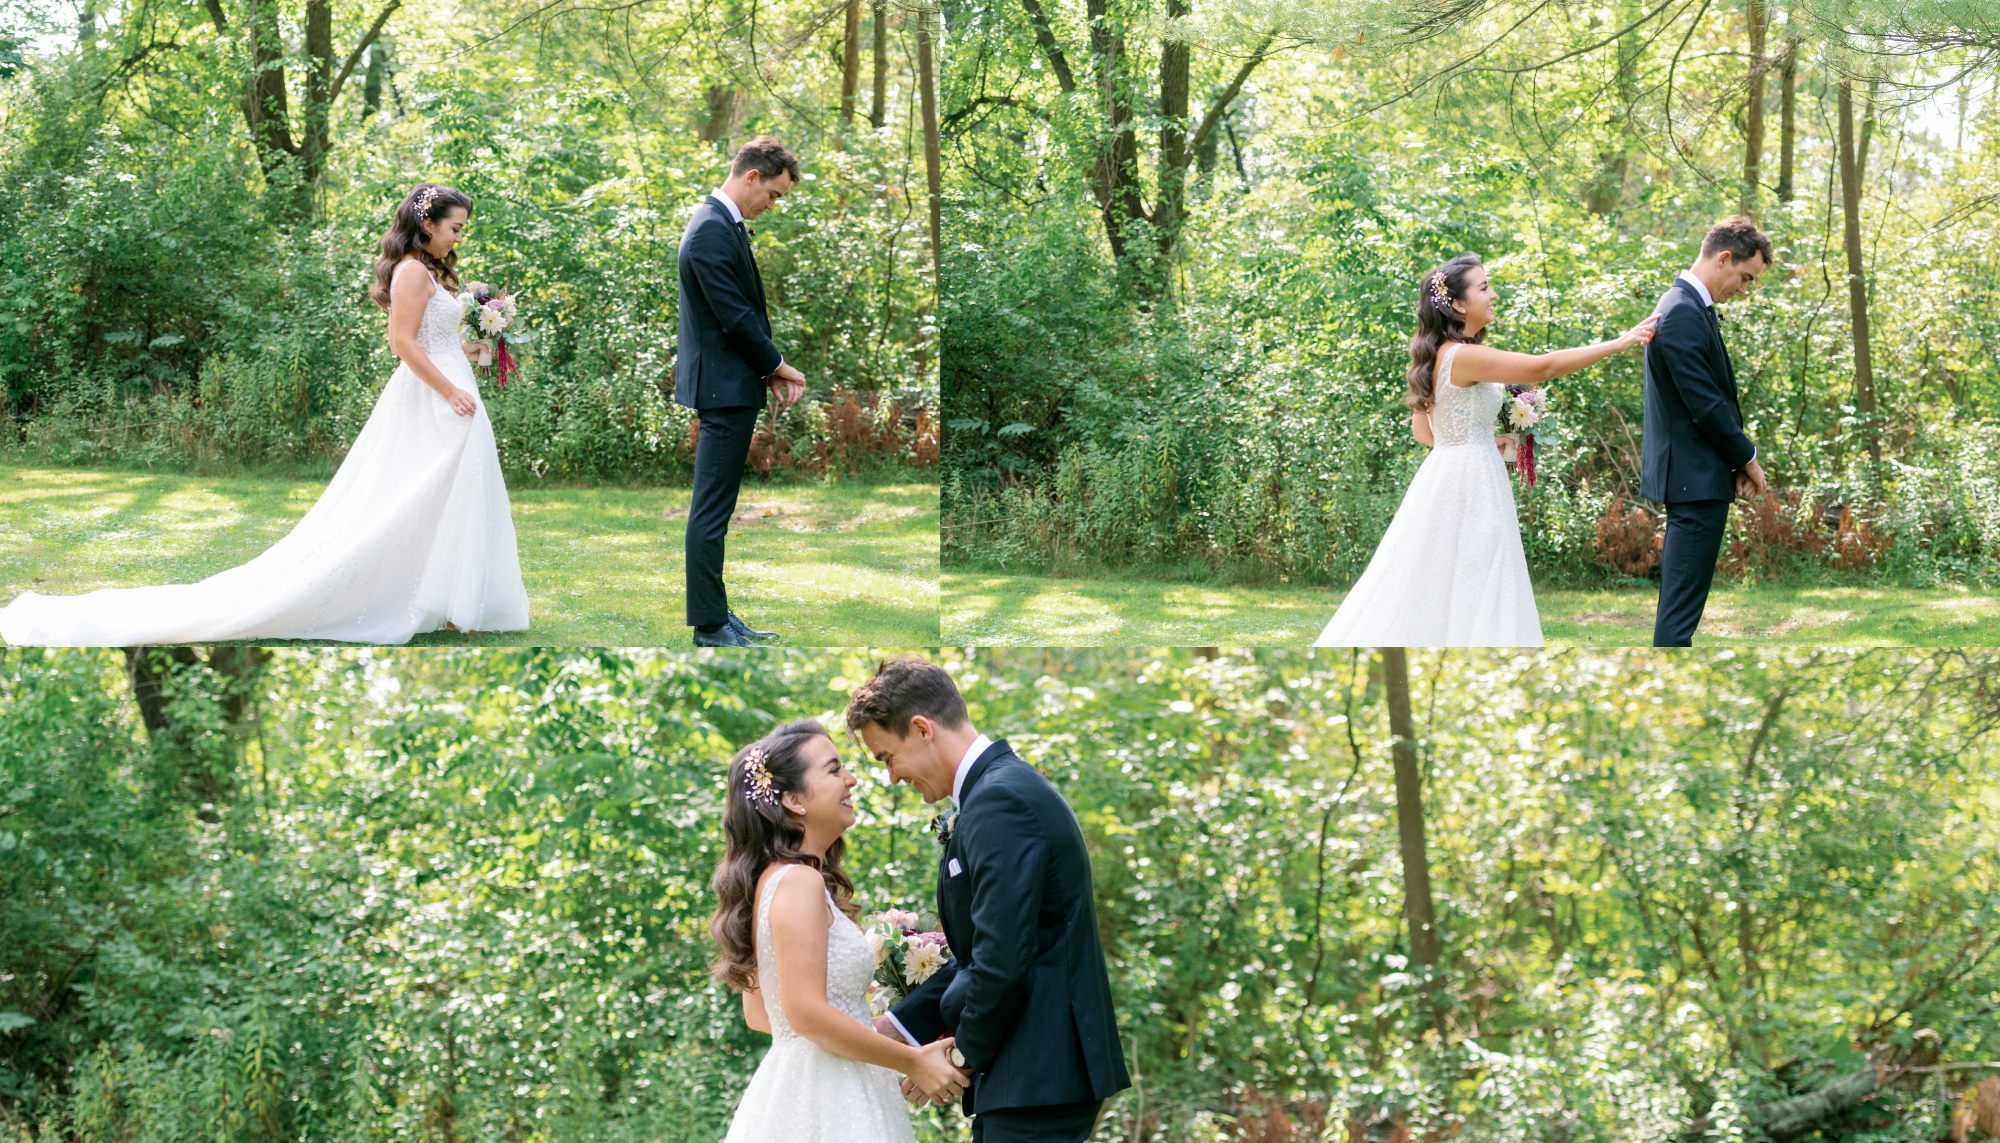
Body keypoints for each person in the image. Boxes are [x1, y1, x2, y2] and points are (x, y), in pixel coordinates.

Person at [0, 183, 530, 645]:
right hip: (434, 396)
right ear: (427, 223)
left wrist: (476, 351)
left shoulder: (430, 273)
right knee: (420, 493)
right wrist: (448, 391)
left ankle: (459, 604)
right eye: (455, 228)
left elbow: (435, 341)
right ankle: (440, 602)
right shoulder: (412, 272)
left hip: (449, 386)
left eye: (461, 229)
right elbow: (400, 343)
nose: (460, 237)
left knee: (459, 490)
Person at [845, 657, 1131, 1143]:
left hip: (1039, 1075)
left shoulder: (1000, 802)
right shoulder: (996, 792)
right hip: (1034, 1077)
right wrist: (900, 1027)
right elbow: (990, 953)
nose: (891, 776)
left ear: (921, 729)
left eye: (886, 757)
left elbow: (1003, 960)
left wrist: (957, 1060)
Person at [1313, 254, 1656, 647]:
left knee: (1436, 570)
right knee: (1480, 564)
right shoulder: (1464, 355)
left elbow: (1425, 432)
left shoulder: (1439, 354)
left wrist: (1482, 438)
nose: (1494, 294)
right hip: (1472, 479)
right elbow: (1541, 368)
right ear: (1459, 304)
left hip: (1446, 473)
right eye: (1484, 287)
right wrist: (1620, 342)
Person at [710, 720, 969, 1143]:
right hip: (829, 1095)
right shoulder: (799, 883)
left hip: (804, 1085)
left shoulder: (773, 882)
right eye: (833, 770)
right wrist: (911, 1060)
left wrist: (858, 1028)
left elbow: (762, 1014)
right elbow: (805, 1014)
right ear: (794, 800)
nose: (851, 779)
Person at [676, 137, 808, 647]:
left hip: (730, 384)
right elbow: (732, 314)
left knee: (717, 508)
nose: (773, 206)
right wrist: (778, 365)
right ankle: (709, 626)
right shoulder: (710, 229)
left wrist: (769, 370)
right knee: (710, 510)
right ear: (751, 176)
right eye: (774, 194)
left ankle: (719, 613)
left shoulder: (720, 223)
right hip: (723, 388)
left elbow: (737, 313)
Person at [1642, 216, 1772, 647]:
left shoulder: (1688, 307)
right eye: (1746, 277)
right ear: (1723, 258)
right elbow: (1705, 405)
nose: (1745, 289)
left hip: (1699, 476)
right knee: (1679, 619)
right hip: (1693, 481)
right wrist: (1747, 458)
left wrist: (1731, 461)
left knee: (1680, 610)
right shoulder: (1680, 311)